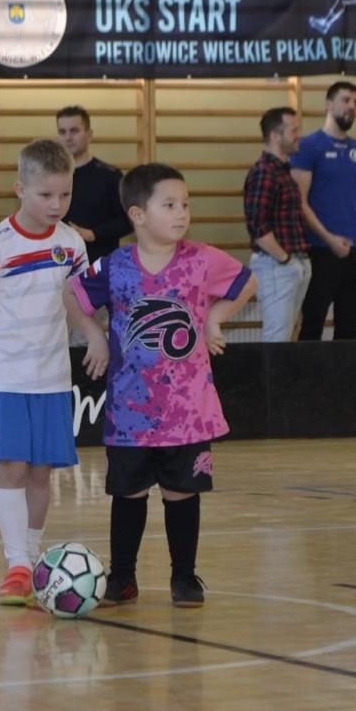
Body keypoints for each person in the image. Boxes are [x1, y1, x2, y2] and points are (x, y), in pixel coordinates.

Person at [66, 163, 255, 609]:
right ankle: (123, 578)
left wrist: (214, 318)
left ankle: (184, 577)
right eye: (169, 205)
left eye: (185, 204)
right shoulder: (114, 267)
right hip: (130, 411)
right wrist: (94, 335)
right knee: (128, 493)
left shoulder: (202, 259)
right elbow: (73, 294)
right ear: (137, 215)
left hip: (188, 410)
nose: (181, 213)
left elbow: (246, 283)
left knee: (181, 493)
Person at [0, 139, 98, 606]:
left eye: (65, 195)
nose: (56, 205)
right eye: (45, 195)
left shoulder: (72, 243)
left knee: (41, 474)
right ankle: (16, 564)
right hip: (5, 379)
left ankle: (34, 556)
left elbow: (78, 301)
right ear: (20, 188)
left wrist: (95, 335)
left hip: (53, 378)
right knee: (12, 468)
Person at [291, 81, 356, 341]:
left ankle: (346, 382)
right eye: (346, 100)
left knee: (349, 331)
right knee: (312, 325)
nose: (351, 106)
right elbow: (300, 202)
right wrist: (329, 239)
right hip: (321, 251)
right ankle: (308, 381)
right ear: (328, 104)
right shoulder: (309, 146)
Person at [242, 105, 311, 341]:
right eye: (294, 129)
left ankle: (282, 379)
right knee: (277, 340)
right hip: (276, 265)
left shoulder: (283, 171)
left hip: (292, 263)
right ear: (274, 136)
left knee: (288, 336)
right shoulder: (264, 172)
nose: (299, 134)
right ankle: (271, 379)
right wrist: (285, 259)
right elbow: (258, 227)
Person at [56, 106, 130, 265]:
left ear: (89, 135)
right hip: (57, 265)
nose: (68, 137)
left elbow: (129, 219)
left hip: (99, 264)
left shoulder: (110, 175)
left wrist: (93, 233)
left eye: (74, 131)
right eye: (62, 132)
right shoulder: (50, 176)